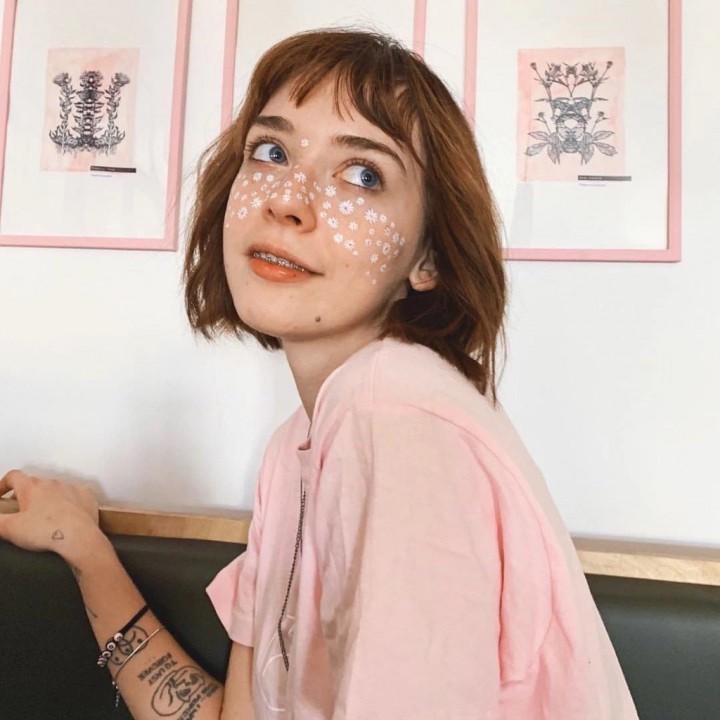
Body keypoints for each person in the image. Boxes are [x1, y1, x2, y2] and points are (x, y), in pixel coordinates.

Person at [0, 28, 639, 720]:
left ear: (428, 259)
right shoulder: (296, 450)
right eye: (271, 152)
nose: (288, 199)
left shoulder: (399, 425)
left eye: (362, 174)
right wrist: (82, 548)